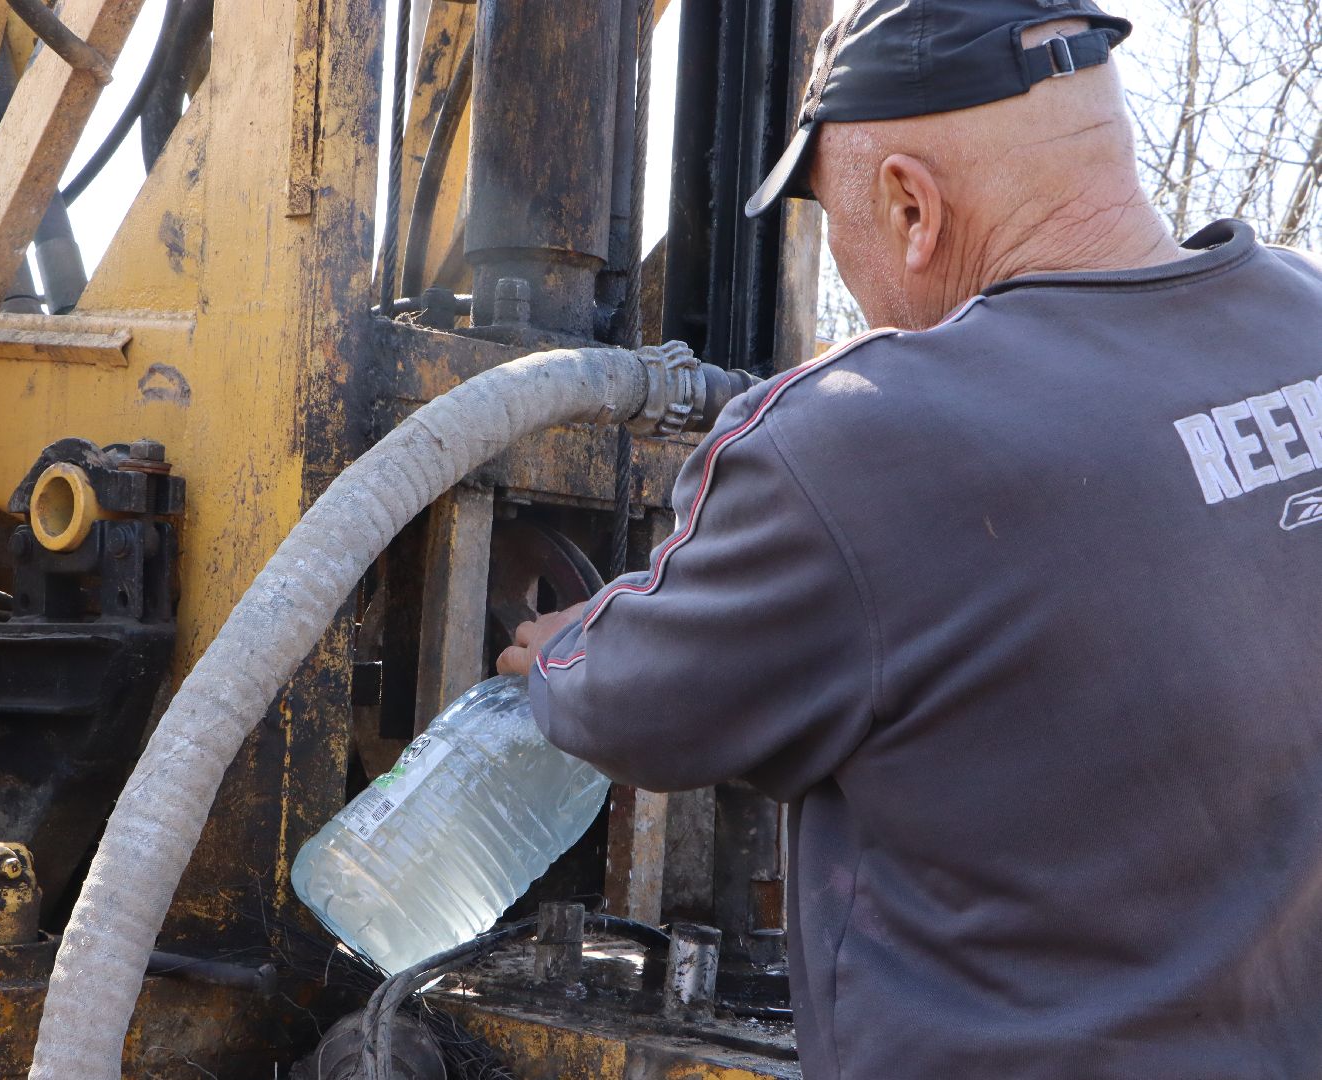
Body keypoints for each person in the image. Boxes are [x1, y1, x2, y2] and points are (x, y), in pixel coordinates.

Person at [497, 1, 1322, 1077]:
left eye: (839, 230)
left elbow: (636, 705)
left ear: (909, 206)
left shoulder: (863, 437)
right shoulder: (1302, 322)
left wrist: (563, 643)